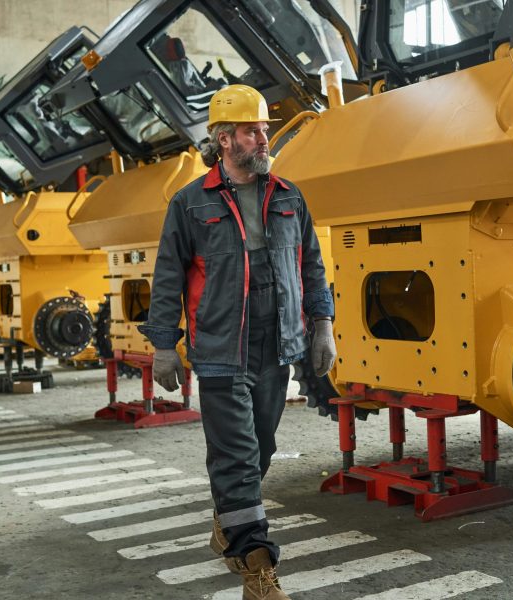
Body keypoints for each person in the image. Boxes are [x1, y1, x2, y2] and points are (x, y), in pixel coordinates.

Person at [139, 84, 336, 600]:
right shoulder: (189, 203)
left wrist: (323, 324)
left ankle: (230, 521)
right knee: (238, 456)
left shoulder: (289, 195)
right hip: (223, 344)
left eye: (265, 129)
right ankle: (257, 567)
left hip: (277, 342)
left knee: (262, 446)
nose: (264, 137)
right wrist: (164, 343)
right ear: (225, 140)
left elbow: (311, 264)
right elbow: (167, 277)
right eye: (253, 130)